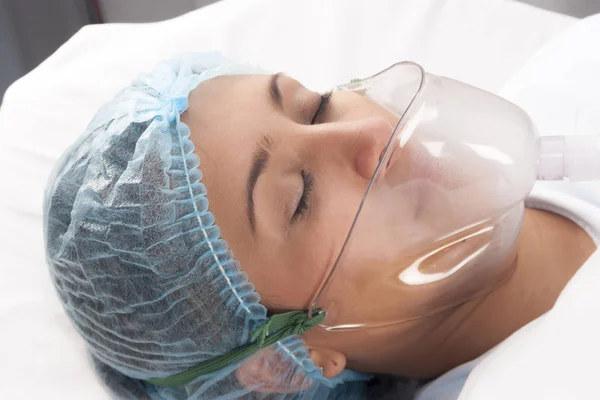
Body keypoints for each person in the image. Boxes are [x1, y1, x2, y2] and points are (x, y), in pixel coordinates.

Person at [43, 52, 597, 400]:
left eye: (317, 108)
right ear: (281, 362)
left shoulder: (577, 72)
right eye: (299, 197)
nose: (372, 136)